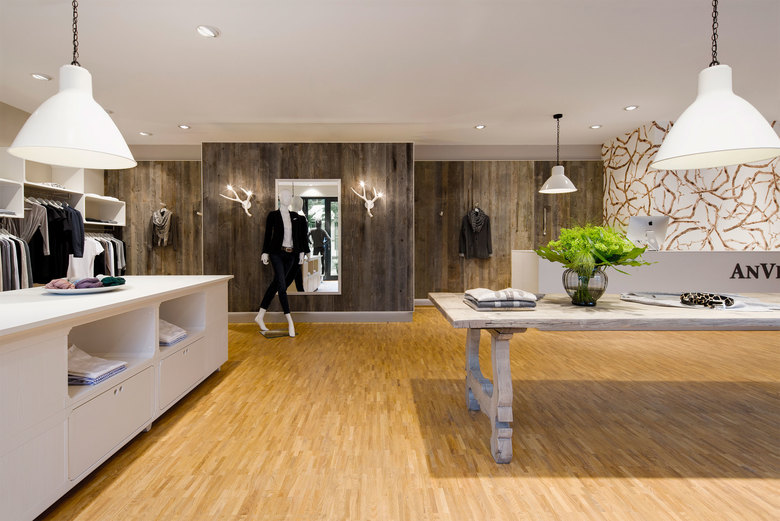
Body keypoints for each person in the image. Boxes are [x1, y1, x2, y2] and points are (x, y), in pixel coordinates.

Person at [255, 190, 309, 336]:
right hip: (276, 253)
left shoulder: (295, 216)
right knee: (282, 287)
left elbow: (299, 237)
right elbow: (268, 234)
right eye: (284, 196)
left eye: (289, 196)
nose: (287, 198)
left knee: (276, 284)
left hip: (291, 255)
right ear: (279, 198)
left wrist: (302, 252)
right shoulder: (273, 215)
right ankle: (290, 321)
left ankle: (260, 316)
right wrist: (265, 252)